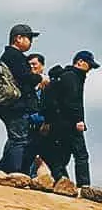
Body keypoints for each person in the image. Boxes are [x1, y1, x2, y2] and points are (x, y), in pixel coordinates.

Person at [41, 51, 97, 185]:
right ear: (80, 62)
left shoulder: (64, 76)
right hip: (70, 122)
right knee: (81, 155)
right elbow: (72, 101)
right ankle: (84, 186)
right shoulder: (73, 77)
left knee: (62, 156)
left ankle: (62, 181)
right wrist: (79, 120)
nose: (89, 69)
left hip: (58, 122)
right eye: (89, 65)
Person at [0, 24, 41, 173]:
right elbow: (25, 78)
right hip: (15, 106)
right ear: (18, 38)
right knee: (19, 140)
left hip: (8, 105)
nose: (31, 41)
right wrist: (40, 78)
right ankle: (15, 174)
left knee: (17, 139)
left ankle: (0, 172)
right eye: (29, 38)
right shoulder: (14, 55)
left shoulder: (9, 55)